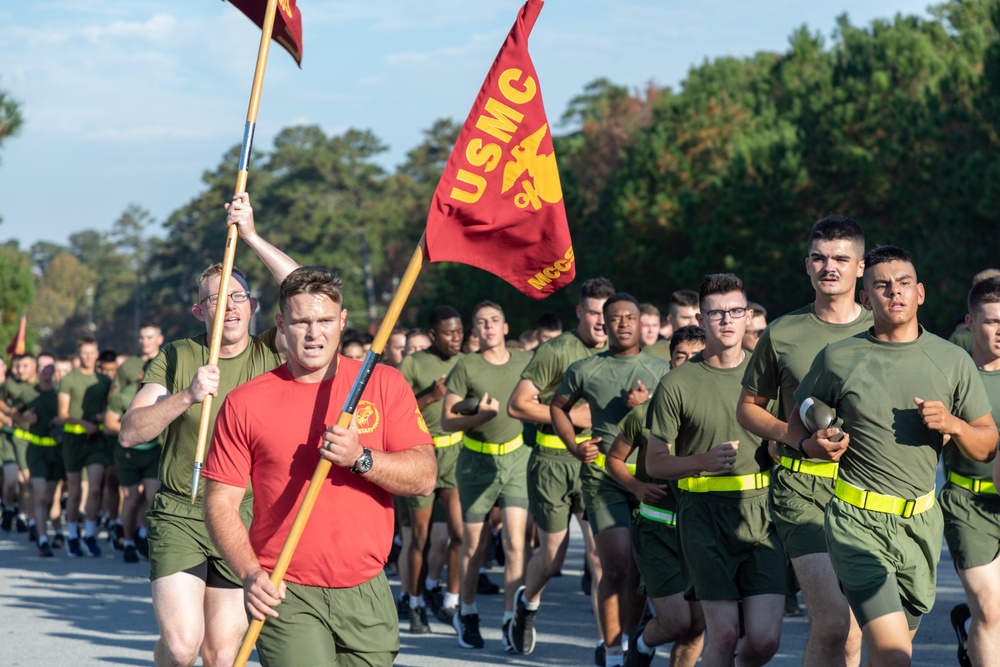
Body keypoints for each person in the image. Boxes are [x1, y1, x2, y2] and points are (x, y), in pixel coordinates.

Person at [202, 266, 435, 667]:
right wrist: (250, 573)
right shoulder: (245, 402)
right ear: (280, 324)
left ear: (342, 321)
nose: (314, 333)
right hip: (286, 591)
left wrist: (360, 459)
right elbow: (220, 502)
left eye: (325, 320)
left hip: (368, 588)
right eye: (301, 322)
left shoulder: (383, 383)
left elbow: (424, 477)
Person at [790, 245, 997, 667]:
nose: (894, 293)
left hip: (921, 525)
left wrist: (954, 425)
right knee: (893, 652)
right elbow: (798, 418)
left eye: (904, 284)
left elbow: (988, 443)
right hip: (856, 522)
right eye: (882, 286)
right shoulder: (838, 356)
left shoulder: (953, 361)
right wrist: (812, 445)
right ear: (866, 299)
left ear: (920, 293)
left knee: (891, 652)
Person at [119, 192, 298, 667]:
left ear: (255, 305)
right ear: (200, 312)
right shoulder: (178, 355)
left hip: (242, 515)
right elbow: (131, 432)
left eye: (238, 296)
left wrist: (253, 235)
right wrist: (187, 396)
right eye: (214, 300)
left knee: (222, 655)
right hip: (181, 509)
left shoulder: (271, 352)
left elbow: (305, 289)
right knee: (181, 648)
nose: (228, 306)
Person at [736, 215, 871, 667]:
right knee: (832, 623)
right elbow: (749, 408)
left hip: (868, 489)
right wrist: (793, 439)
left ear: (860, 267)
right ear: (807, 266)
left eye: (839, 258)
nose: (828, 266)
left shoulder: (885, 330)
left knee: (852, 633)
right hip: (802, 489)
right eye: (818, 257)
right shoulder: (782, 332)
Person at [647, 273, 788, 667]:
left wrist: (781, 447)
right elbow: (653, 462)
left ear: (747, 316)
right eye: (717, 313)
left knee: (764, 641)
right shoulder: (677, 383)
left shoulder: (770, 378)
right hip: (704, 517)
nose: (727, 320)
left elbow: (786, 437)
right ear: (700, 318)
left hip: (762, 513)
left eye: (735, 311)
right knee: (723, 634)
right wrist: (702, 462)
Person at [551, 293, 672, 667]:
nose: (622, 323)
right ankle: (610, 647)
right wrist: (574, 445)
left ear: (641, 323)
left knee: (637, 572)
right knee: (615, 565)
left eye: (630, 317)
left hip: (649, 474)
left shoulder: (662, 369)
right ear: (604, 324)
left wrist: (647, 402)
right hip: (603, 476)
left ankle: (629, 643)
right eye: (615, 318)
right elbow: (558, 407)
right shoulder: (586, 368)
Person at [506, 277, 615, 658]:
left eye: (608, 312)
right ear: (580, 313)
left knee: (601, 555)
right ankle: (527, 604)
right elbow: (517, 404)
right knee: (553, 556)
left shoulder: (622, 352)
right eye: (594, 312)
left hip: (598, 465)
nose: (602, 321)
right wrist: (572, 414)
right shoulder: (557, 350)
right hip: (553, 462)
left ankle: (608, 646)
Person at [605, 329, 706, 667]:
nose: (688, 363)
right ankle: (642, 639)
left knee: (697, 627)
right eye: (681, 356)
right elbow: (613, 459)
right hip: (657, 530)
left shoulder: (717, 412)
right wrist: (636, 487)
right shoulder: (645, 413)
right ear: (670, 360)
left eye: (696, 355)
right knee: (676, 621)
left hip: (701, 531)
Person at [441, 300, 532, 650]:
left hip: (515, 460)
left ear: (505, 327)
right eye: (481, 322)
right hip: (475, 463)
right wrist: (479, 418)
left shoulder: (525, 361)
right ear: (474, 330)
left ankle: (512, 619)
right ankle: (467, 611)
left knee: (514, 542)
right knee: (474, 544)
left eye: (495, 320)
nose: (489, 327)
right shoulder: (467, 366)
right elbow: (449, 419)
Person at [940, 276, 1000, 667]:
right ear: (970, 323)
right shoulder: (951, 377)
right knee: (990, 611)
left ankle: (970, 638)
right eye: (992, 321)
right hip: (968, 503)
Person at [397, 305, 465, 633]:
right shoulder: (413, 363)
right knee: (420, 538)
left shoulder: (466, 362)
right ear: (433, 334)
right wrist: (430, 396)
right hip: (421, 453)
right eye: (449, 333)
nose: (456, 338)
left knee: (459, 534)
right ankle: (414, 603)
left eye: (460, 332)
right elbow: (397, 408)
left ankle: (451, 599)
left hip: (456, 456)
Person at [56, 335, 112, 557]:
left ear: (97, 354)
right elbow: (62, 415)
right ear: (78, 355)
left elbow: (111, 407)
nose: (88, 357)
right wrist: (83, 423)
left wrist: (102, 416)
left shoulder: (104, 381)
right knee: (75, 489)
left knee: (96, 487)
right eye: (84, 353)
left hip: (96, 440)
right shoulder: (69, 379)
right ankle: (72, 536)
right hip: (73, 439)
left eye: (92, 352)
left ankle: (89, 534)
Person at [105, 359, 161, 563]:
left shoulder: (167, 394)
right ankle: (127, 540)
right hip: (127, 453)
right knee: (131, 498)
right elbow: (109, 424)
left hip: (153, 452)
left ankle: (142, 534)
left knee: (152, 496)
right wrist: (135, 428)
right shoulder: (124, 396)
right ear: (141, 374)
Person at [12, 354, 62, 556]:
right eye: (41, 367)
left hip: (57, 451)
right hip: (36, 451)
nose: (44, 370)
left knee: (51, 498)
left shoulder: (60, 394)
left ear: (54, 370)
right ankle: (43, 539)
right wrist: (25, 418)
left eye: (48, 366)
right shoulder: (28, 393)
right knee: (40, 497)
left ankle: (57, 531)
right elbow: (14, 412)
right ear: (37, 370)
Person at [116, 324, 165, 391]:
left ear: (160, 339)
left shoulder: (168, 363)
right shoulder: (128, 365)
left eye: (149, 337)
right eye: (141, 337)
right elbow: (116, 394)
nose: (144, 342)